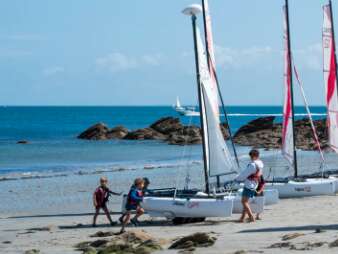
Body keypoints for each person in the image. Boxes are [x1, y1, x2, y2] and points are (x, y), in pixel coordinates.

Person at [235, 149, 264, 223]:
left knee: (244, 202)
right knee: (246, 201)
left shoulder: (252, 165)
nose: (250, 158)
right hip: (255, 184)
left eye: (251, 156)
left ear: (254, 156)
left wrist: (236, 178)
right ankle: (242, 218)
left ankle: (251, 217)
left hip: (249, 185)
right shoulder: (260, 163)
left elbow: (244, 175)